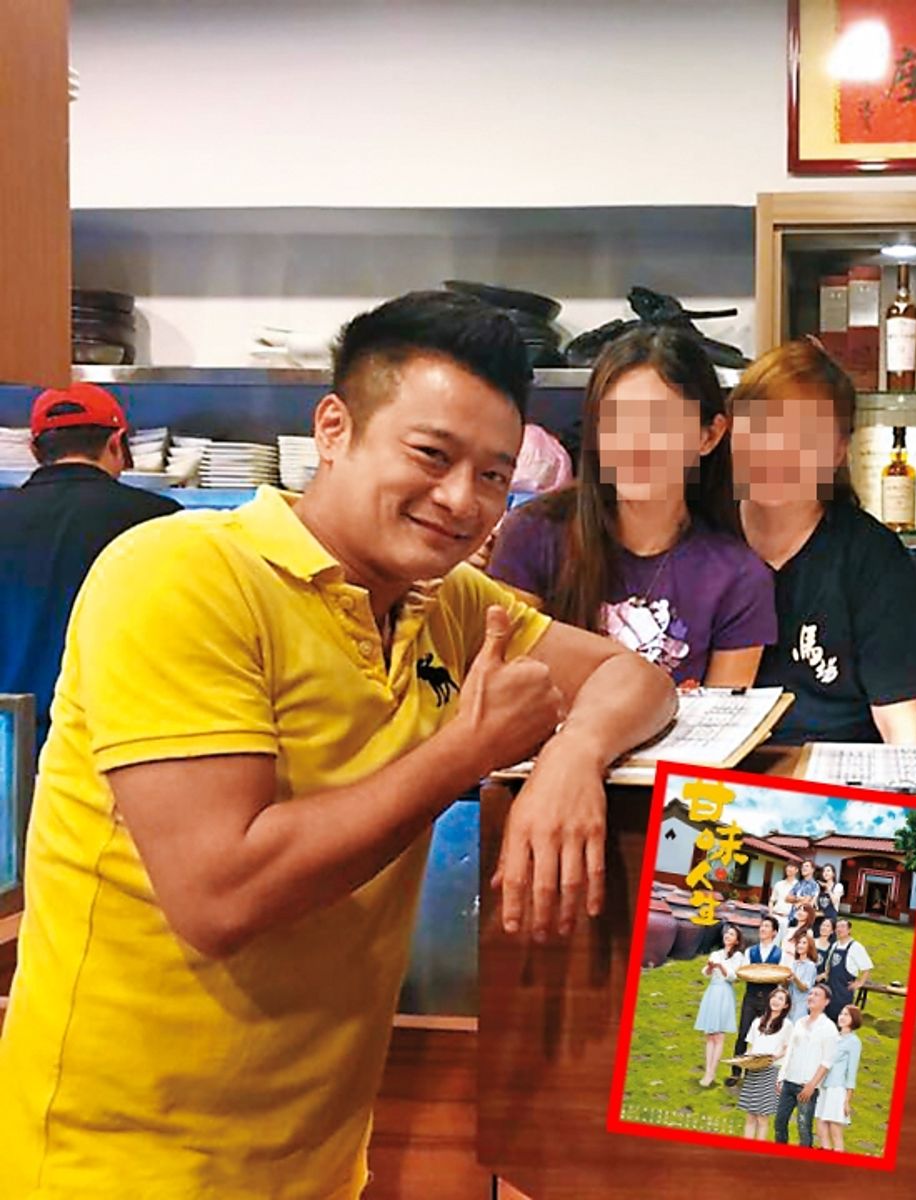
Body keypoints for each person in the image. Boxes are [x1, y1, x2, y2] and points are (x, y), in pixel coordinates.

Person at [0, 291, 678, 1199]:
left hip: (314, 1164)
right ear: (333, 429)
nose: (463, 500)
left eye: (492, 475)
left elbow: (635, 678)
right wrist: (466, 751)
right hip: (118, 1165)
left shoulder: (446, 604)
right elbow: (220, 894)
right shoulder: (180, 574)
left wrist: (573, 755)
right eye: (431, 455)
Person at [489, 326, 775, 688]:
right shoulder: (533, 534)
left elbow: (723, 717)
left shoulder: (739, 578)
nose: (635, 444)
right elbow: (504, 681)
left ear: (709, 436)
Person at [729, 339, 916, 743]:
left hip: (840, 771)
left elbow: (902, 724)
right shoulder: (704, 544)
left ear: (838, 451)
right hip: (720, 771)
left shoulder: (874, 559)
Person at [0, 382, 179, 754]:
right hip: (109, 741)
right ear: (116, 443)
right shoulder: (159, 520)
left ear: (34, 450)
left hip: (7, 740)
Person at [727, 914, 791, 1087]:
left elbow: (783, 977)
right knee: (743, 1034)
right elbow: (746, 972)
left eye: (767, 927)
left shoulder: (780, 954)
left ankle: (753, 1073)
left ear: (774, 932)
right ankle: (735, 1072)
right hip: (751, 997)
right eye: (762, 926)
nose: (762, 929)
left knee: (762, 1036)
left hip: (769, 1000)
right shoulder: (751, 951)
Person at [774, 984, 840, 1148]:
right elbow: (790, 1051)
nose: (811, 997)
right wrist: (781, 1077)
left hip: (807, 1086)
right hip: (789, 1081)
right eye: (810, 994)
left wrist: (812, 1085)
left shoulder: (829, 1028)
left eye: (816, 995)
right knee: (779, 1123)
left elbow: (827, 1061)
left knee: (804, 1128)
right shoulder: (799, 1022)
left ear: (826, 1002)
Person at [737, 986, 793, 1142]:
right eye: (774, 997)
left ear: (786, 1005)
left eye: (781, 999)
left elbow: (788, 1049)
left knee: (762, 1116)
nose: (776, 1001)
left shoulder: (787, 1025)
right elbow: (751, 1046)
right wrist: (746, 1059)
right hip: (754, 1070)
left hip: (770, 1071)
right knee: (750, 1115)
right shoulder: (757, 1022)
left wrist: (774, 1057)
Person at [694, 923, 745, 1088]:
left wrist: (721, 967)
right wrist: (710, 967)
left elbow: (733, 977)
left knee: (719, 1035)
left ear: (737, 941)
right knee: (709, 1034)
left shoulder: (738, 957)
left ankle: (712, 1072)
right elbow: (705, 972)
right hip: (712, 991)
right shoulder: (716, 953)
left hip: (724, 993)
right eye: (727, 933)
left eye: (732, 934)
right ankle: (707, 1071)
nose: (727, 936)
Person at [816, 1003, 863, 1153]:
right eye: (841, 1014)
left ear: (854, 1019)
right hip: (823, 1086)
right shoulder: (833, 1037)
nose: (842, 1017)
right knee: (821, 1125)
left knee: (835, 1128)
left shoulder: (854, 1042)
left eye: (846, 1015)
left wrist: (847, 1100)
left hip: (837, 1088)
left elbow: (851, 1072)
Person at [819, 917, 874, 1022]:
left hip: (843, 991)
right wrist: (825, 974)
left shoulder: (856, 947)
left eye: (843, 927)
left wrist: (859, 983)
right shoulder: (835, 945)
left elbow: (867, 968)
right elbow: (830, 965)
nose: (839, 929)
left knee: (841, 1019)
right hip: (830, 988)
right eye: (837, 927)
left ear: (849, 930)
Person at [786, 929, 820, 1014]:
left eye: (804, 943)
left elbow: (804, 988)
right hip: (789, 1003)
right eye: (799, 943)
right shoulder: (794, 963)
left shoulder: (810, 965)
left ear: (810, 947)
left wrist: (795, 978)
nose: (800, 945)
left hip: (801, 1006)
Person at [787, 857, 820, 925]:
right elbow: (787, 898)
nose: (803, 868)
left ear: (812, 870)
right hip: (792, 917)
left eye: (807, 866)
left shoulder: (814, 885)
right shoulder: (799, 883)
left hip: (803, 920)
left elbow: (806, 902)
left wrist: (795, 900)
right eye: (802, 866)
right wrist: (798, 899)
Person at [768, 858, 800, 926]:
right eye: (787, 866)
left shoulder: (800, 887)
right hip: (775, 917)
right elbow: (771, 901)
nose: (788, 868)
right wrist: (771, 915)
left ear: (796, 870)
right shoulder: (778, 884)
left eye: (791, 867)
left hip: (788, 920)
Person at [815, 861, 843, 929]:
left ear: (833, 874)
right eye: (824, 871)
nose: (825, 873)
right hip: (818, 919)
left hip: (830, 921)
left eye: (828, 871)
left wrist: (828, 888)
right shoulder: (819, 887)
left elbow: (835, 901)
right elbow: (815, 903)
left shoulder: (838, 886)